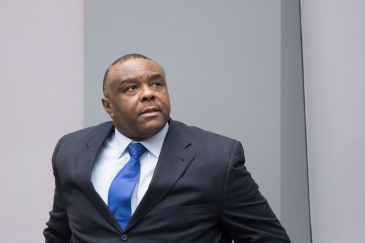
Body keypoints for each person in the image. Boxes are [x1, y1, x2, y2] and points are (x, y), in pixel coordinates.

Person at [44, 54, 290, 243]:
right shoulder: (71, 151)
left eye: (157, 84)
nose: (148, 94)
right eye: (131, 88)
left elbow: (268, 238)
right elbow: (59, 233)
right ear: (109, 106)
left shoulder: (217, 157)